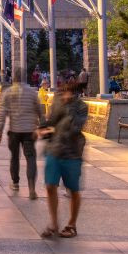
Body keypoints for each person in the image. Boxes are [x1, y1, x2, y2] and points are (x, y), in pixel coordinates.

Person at [39, 81, 87, 238]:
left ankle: (72, 224)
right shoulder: (57, 101)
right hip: (54, 150)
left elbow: (75, 128)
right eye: (63, 91)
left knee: (73, 190)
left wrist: (68, 106)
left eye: (68, 92)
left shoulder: (81, 107)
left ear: (75, 93)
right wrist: (43, 129)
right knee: (50, 186)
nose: (64, 95)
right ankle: (53, 223)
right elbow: (52, 121)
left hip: (72, 153)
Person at [0, 67, 44, 200]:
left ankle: (15, 183)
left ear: (13, 77)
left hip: (14, 131)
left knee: (15, 157)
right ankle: (32, 189)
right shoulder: (32, 92)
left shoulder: (9, 92)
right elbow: (40, 109)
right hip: (29, 131)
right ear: (24, 77)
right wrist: (41, 125)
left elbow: (2, 113)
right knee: (31, 158)